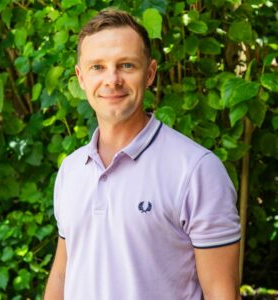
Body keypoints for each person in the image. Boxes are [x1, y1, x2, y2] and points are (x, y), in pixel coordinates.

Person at [44, 8, 241, 300]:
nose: (112, 79)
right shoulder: (72, 170)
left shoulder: (196, 170)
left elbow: (221, 293)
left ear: (149, 73)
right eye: (97, 67)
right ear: (81, 77)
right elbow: (62, 272)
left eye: (126, 65)